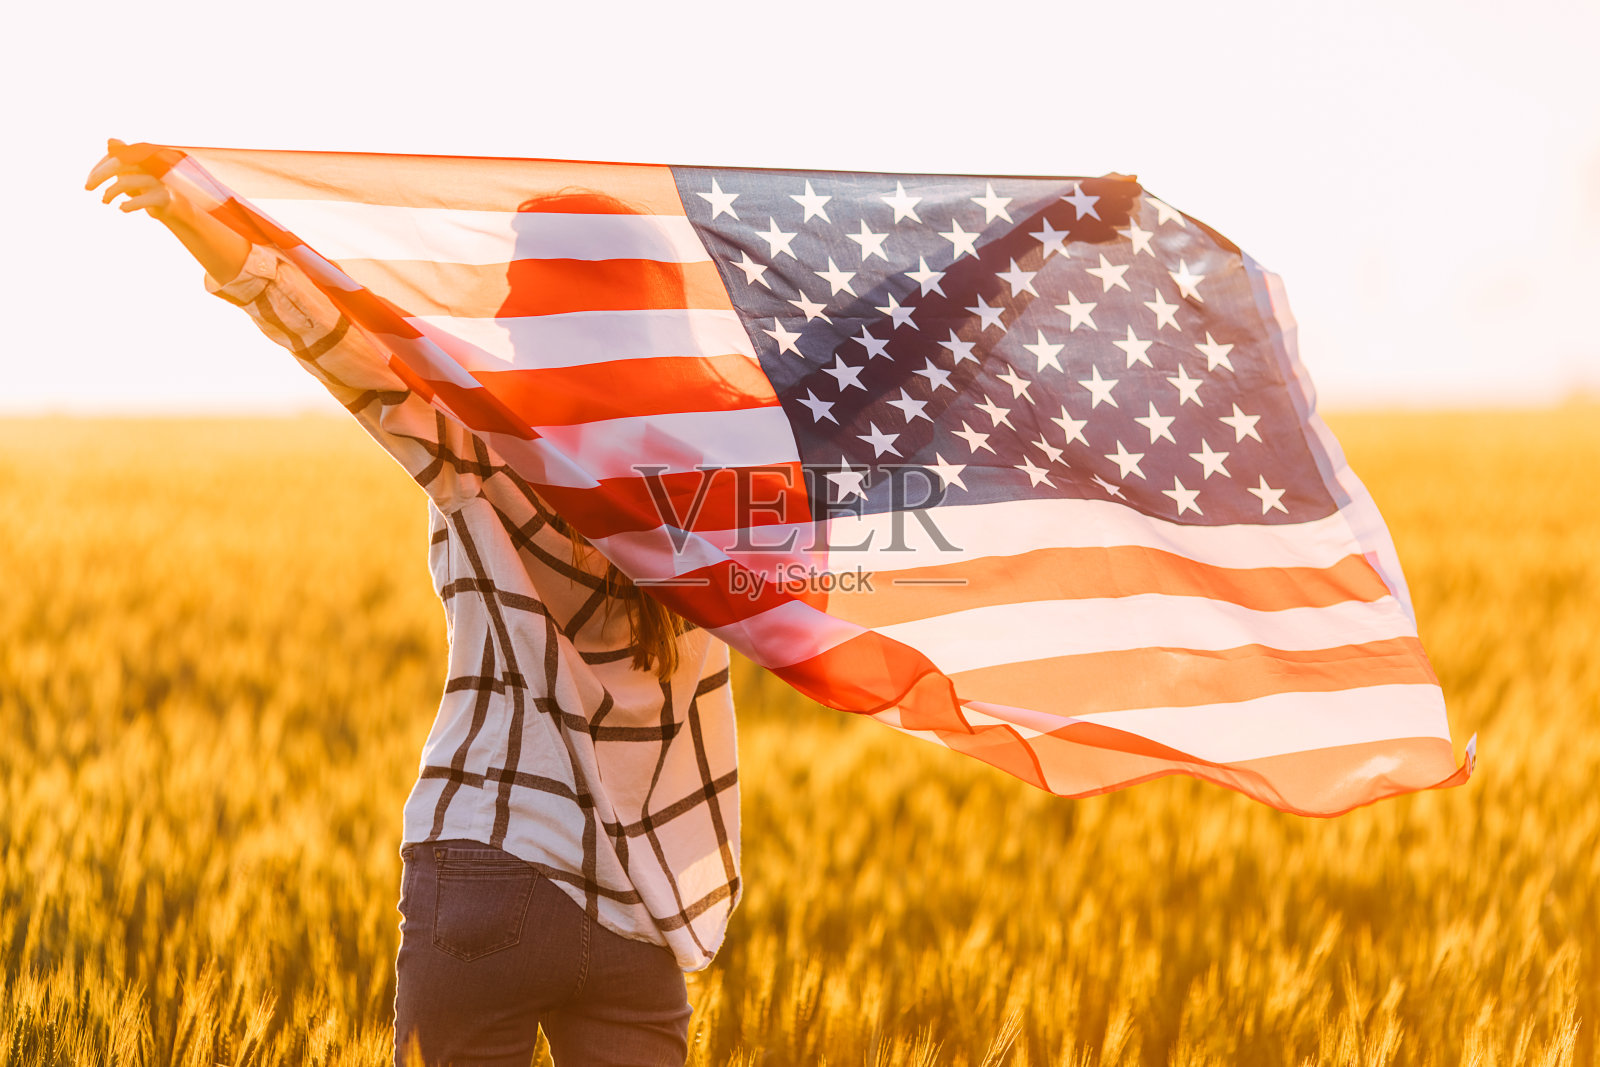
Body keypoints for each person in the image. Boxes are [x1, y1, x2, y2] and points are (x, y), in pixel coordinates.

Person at [87, 139, 742, 1067]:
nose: (504, 307)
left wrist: (192, 209)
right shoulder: (719, 483)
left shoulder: (483, 440)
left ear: (547, 310)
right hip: (644, 891)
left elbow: (339, 346)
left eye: (521, 286)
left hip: (488, 862)